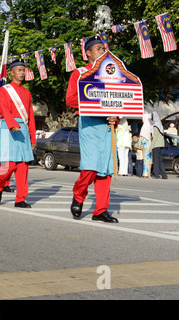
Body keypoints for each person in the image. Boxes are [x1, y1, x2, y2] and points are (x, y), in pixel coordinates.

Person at [66, 36, 118, 223]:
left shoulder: (113, 73)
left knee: (105, 170)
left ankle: (100, 210)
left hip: (107, 126)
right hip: (89, 123)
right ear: (87, 53)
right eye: (97, 48)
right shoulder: (79, 73)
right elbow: (71, 99)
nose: (102, 51)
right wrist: (93, 102)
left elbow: (119, 101)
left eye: (103, 48)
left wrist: (115, 116)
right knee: (90, 167)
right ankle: (78, 196)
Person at [0, 59, 36, 208]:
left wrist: (32, 136)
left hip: (23, 127)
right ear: (11, 72)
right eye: (19, 70)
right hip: (8, 127)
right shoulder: (4, 90)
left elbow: (30, 115)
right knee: (10, 165)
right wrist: (12, 125)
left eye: (23, 70)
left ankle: (20, 198)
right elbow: (3, 109)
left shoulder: (27, 92)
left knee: (23, 165)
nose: (22, 73)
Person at [151, 111, 168, 179]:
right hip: (161, 145)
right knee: (160, 160)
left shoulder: (155, 126)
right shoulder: (160, 125)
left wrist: (151, 146)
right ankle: (164, 175)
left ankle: (156, 174)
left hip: (156, 145)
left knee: (156, 160)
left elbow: (154, 138)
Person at [139, 113, 153, 178]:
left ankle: (145, 173)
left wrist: (139, 144)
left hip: (145, 144)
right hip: (149, 143)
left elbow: (141, 137)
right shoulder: (150, 125)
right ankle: (149, 173)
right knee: (149, 159)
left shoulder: (144, 126)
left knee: (145, 159)